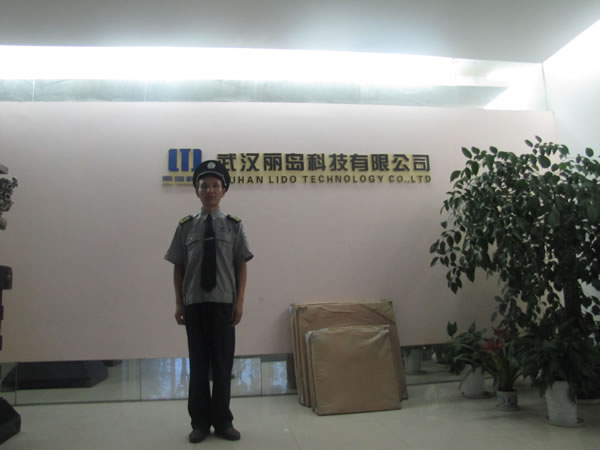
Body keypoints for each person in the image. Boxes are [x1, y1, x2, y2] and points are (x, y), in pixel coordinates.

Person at [164, 160, 253, 443]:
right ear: (197, 191)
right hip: (195, 303)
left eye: (215, 185)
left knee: (223, 366)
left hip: (224, 303)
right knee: (199, 365)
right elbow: (178, 265)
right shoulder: (186, 226)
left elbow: (241, 264)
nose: (210, 190)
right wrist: (179, 302)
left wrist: (239, 301)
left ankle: (223, 422)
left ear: (223, 191)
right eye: (204, 186)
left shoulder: (234, 226)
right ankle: (200, 423)